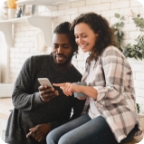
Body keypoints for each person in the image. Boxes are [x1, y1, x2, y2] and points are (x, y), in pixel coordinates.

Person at [46, 12, 142, 144]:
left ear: (98, 33)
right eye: (77, 36)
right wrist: (75, 89)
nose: (79, 41)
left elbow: (114, 92)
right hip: (95, 114)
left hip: (117, 119)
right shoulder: (91, 59)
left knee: (65, 142)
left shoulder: (110, 52)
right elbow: (88, 93)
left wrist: (81, 88)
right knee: (51, 137)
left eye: (84, 36)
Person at [5, 22, 85, 144]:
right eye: (55, 45)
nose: (59, 51)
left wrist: (50, 127)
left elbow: (78, 118)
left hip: (47, 140)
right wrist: (39, 98)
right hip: (18, 135)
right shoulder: (33, 63)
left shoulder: (78, 80)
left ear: (75, 47)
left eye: (65, 46)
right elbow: (16, 98)